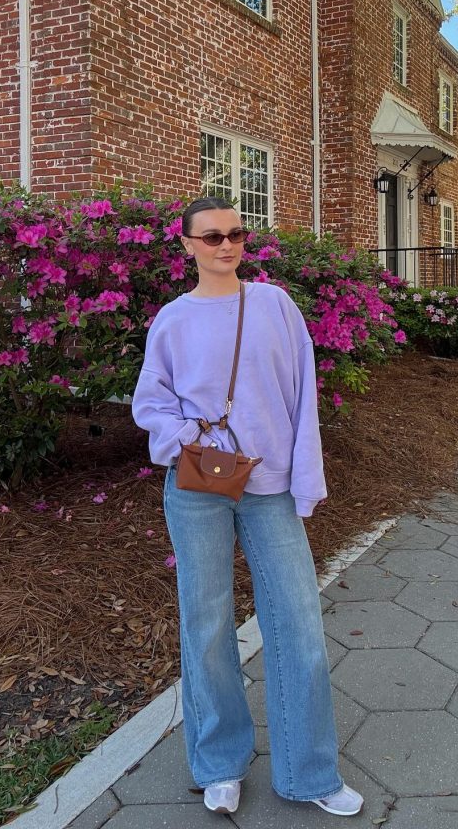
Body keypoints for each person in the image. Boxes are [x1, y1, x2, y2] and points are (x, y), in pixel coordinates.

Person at [131, 196, 364, 817]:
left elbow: (302, 395)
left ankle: (310, 771)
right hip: (197, 486)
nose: (227, 245)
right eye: (211, 237)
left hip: (270, 486)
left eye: (236, 234)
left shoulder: (274, 305)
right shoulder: (172, 320)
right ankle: (219, 764)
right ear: (187, 245)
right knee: (206, 626)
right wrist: (192, 436)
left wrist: (306, 480)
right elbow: (150, 403)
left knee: (299, 622)